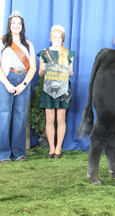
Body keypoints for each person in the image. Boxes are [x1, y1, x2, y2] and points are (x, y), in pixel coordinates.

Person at [0, 10, 37, 163]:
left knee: (20, 116)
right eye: (13, 23)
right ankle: (2, 155)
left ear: (22, 26)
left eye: (19, 23)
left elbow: (33, 68)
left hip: (23, 80)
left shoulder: (28, 44)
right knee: (4, 116)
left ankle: (18, 153)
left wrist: (24, 84)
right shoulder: (2, 42)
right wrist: (7, 83)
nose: (16, 25)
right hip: (6, 80)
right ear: (9, 25)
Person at [37, 25, 75, 159]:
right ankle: (51, 148)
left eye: (59, 37)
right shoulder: (44, 53)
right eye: (54, 37)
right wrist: (42, 69)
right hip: (49, 89)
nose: (57, 39)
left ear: (62, 38)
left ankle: (58, 148)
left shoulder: (68, 53)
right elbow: (40, 74)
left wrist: (70, 69)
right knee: (50, 119)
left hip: (63, 90)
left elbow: (70, 74)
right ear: (51, 38)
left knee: (60, 119)